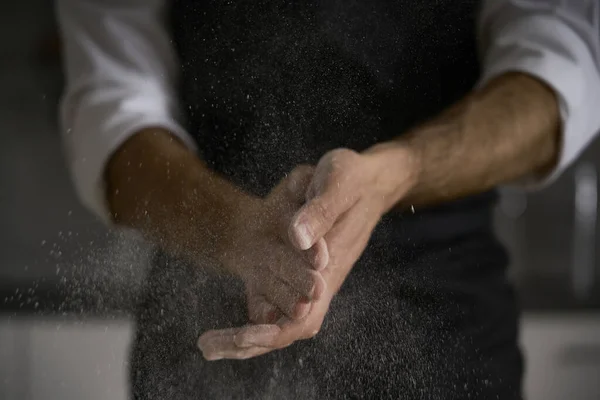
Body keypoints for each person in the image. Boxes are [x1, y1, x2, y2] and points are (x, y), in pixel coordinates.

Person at [56, 0, 600, 398]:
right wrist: (237, 233)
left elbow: (561, 67)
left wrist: (398, 172)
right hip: (206, 331)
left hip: (442, 335)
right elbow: (113, 109)